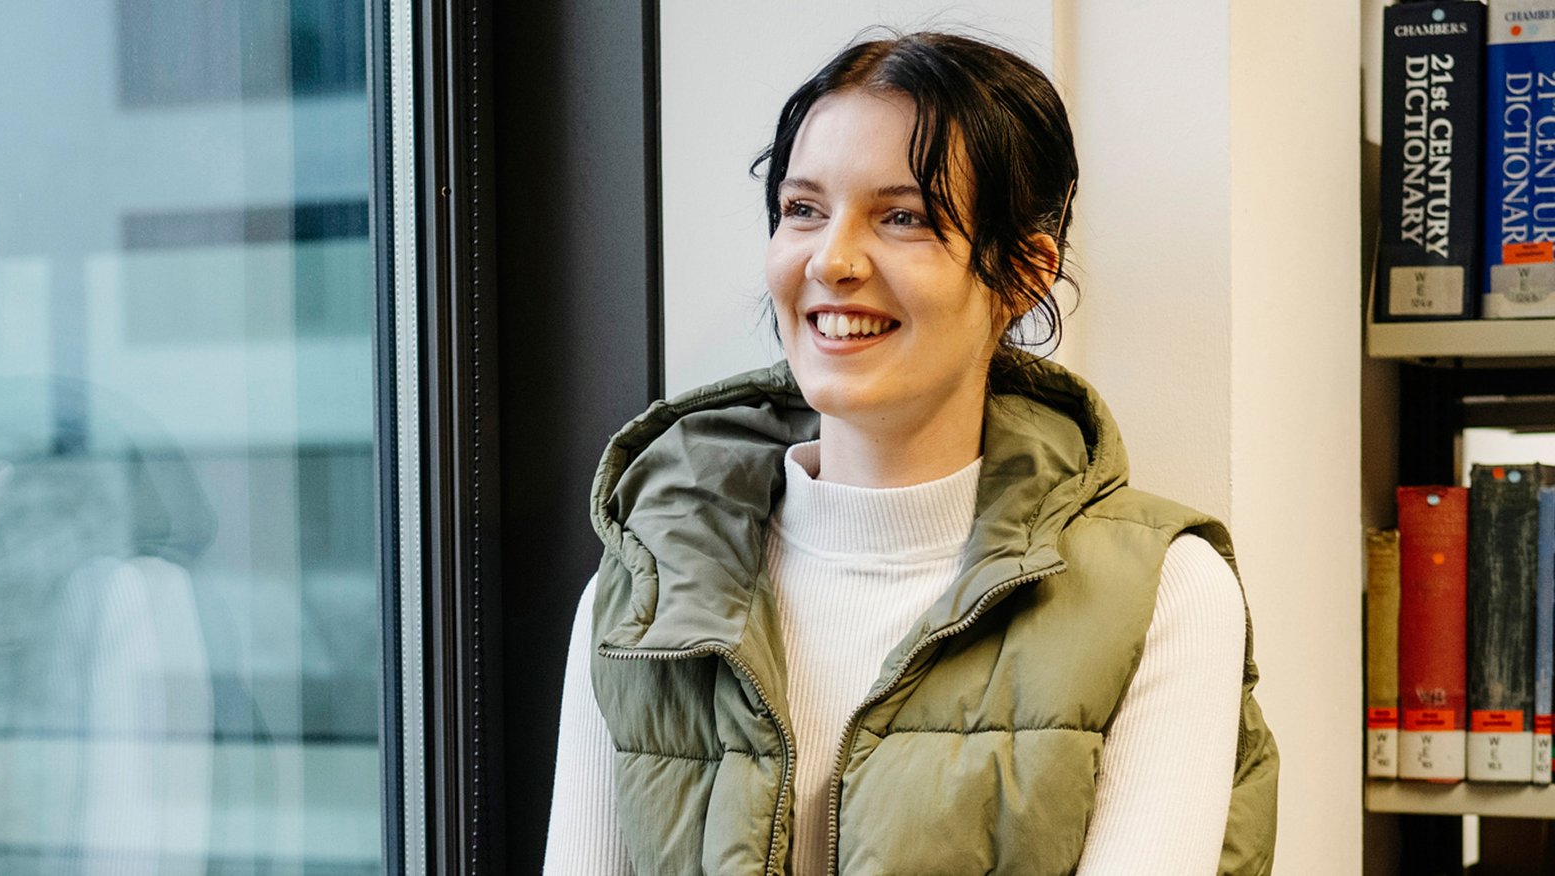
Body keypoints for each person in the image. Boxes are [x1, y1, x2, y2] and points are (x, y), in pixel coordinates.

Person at [543, 31, 1278, 875]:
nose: (833, 260)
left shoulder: (1165, 595)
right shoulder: (646, 584)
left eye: (904, 218)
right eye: (803, 210)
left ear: (1024, 273)